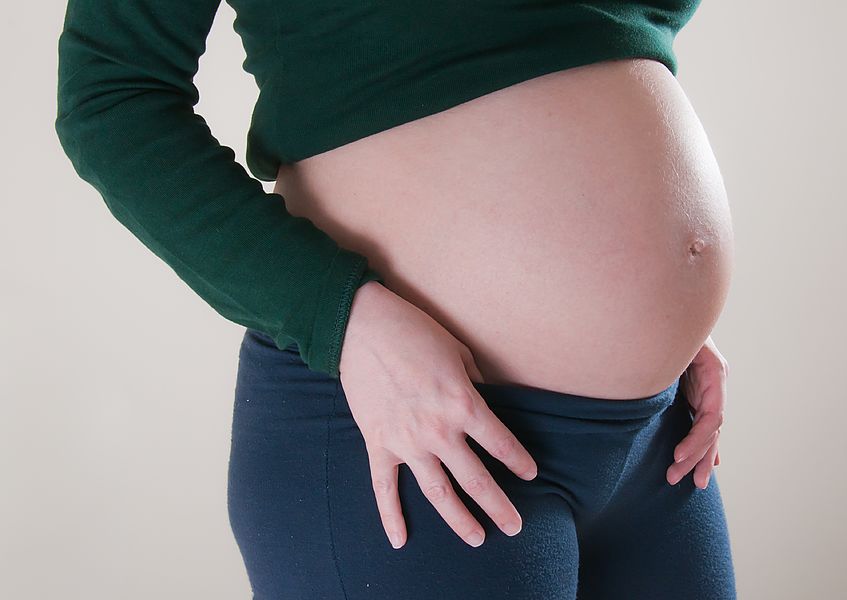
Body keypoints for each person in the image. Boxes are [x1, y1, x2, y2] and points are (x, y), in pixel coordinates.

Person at [55, 0, 736, 597]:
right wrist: (340, 317)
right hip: (409, 430)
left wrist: (649, 321)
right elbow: (111, 95)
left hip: (658, 439)